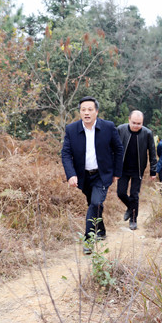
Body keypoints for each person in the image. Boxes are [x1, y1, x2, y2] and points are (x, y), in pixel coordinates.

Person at [61, 96, 124, 255]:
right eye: (83, 110)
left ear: (96, 111)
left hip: (102, 175)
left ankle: (88, 240)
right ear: (80, 112)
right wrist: (71, 174)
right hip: (83, 176)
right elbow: (66, 154)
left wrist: (117, 172)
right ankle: (101, 230)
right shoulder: (71, 129)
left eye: (90, 109)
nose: (86, 113)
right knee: (93, 203)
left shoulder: (108, 127)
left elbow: (118, 149)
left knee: (95, 203)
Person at [117, 110, 157, 230]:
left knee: (134, 195)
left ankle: (133, 219)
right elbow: (113, 148)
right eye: (134, 123)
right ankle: (131, 208)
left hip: (138, 169)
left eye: (139, 123)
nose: (136, 126)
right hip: (123, 168)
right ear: (129, 119)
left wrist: (153, 170)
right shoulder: (120, 129)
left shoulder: (147, 133)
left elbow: (152, 152)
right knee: (121, 193)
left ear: (142, 122)